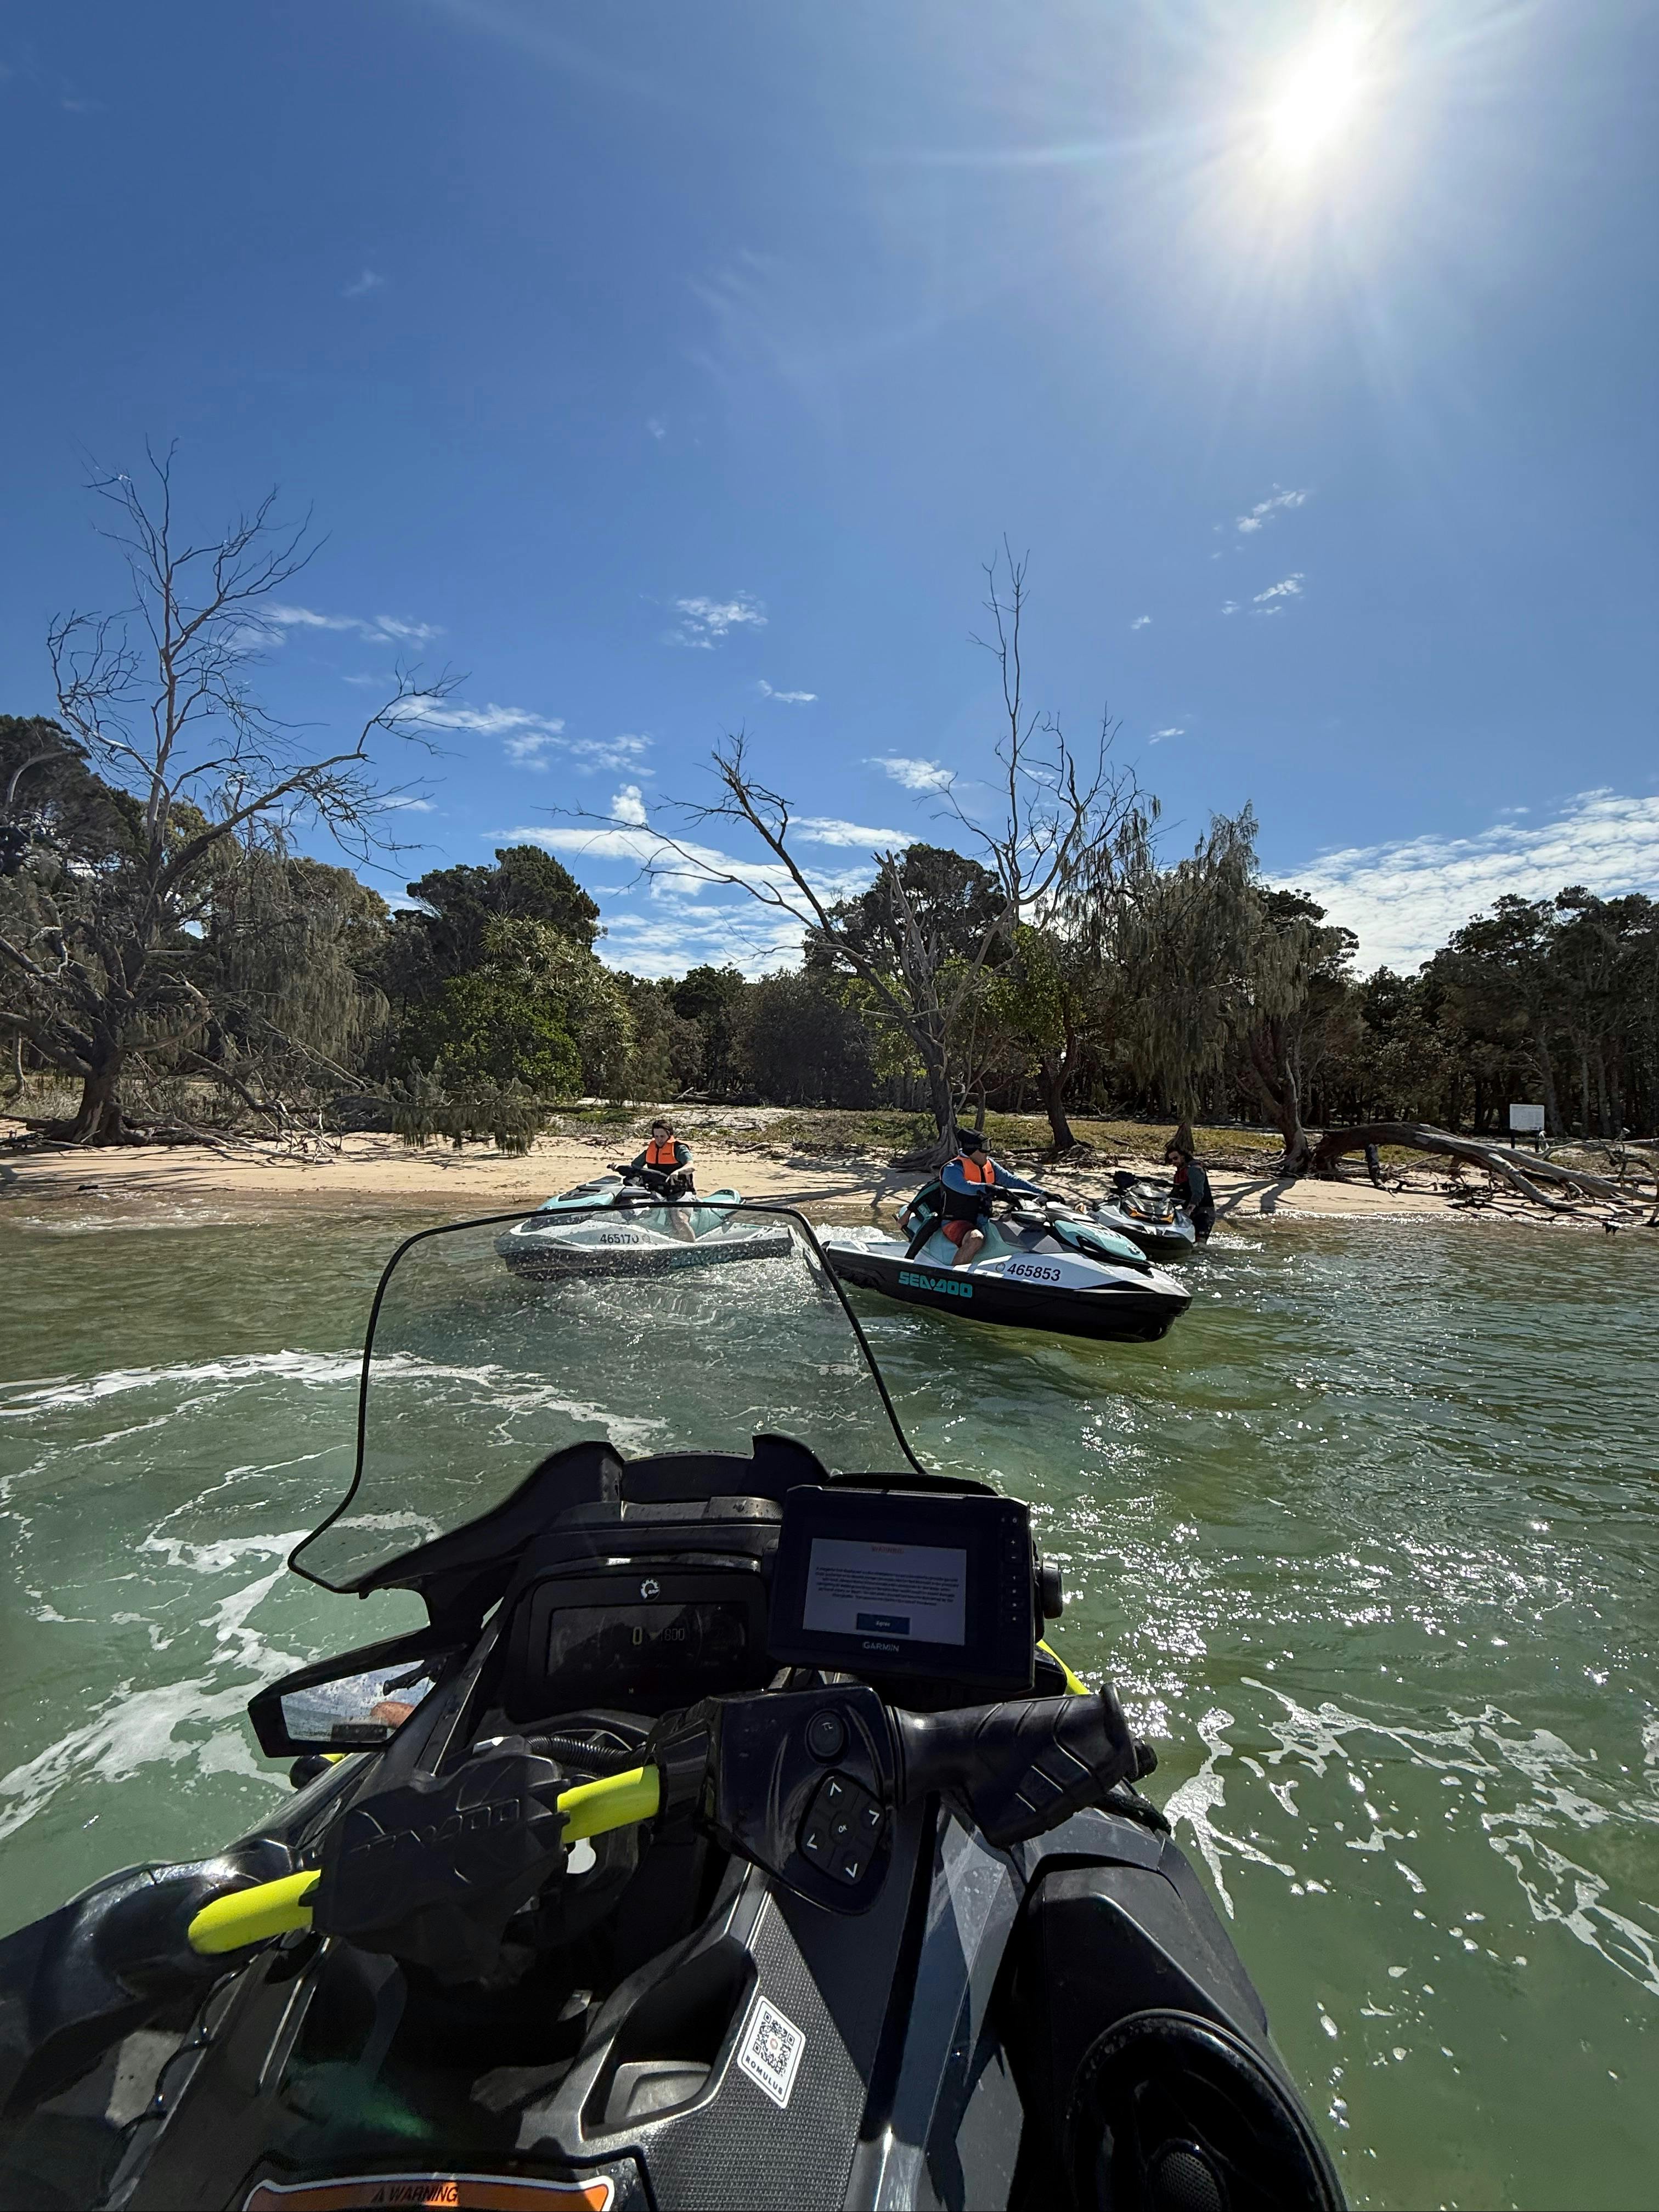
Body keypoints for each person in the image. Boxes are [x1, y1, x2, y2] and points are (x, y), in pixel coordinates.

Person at [938, 1129, 1050, 1267]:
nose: (988, 1152)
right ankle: (953, 1277)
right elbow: (965, 1186)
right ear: (973, 1150)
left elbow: (1013, 1181)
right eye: (985, 1148)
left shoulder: (989, 1164)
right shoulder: (952, 1169)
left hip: (985, 1219)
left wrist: (1045, 1193)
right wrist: (991, 1189)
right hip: (957, 1221)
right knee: (976, 1239)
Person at [1164, 1136, 1216, 1244]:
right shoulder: (1179, 1174)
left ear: (1183, 1157)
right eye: (1171, 1160)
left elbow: (1198, 1193)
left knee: (1200, 1244)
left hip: (1203, 1213)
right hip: (1190, 1214)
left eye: (1175, 1158)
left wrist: (1188, 1211)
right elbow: (1175, 1195)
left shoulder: (1194, 1170)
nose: (1173, 1162)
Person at [629, 1118, 695, 1199]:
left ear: (669, 1135)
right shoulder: (650, 1150)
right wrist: (618, 1167)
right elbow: (634, 1166)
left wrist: (677, 1172)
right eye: (656, 1136)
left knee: (673, 1210)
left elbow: (691, 1166)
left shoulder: (679, 1148)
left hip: (680, 1192)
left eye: (662, 1136)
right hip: (657, 1191)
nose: (659, 1140)